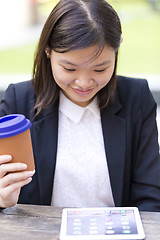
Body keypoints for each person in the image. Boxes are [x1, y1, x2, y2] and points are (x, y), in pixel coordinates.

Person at [0, 0, 160, 211]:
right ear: (48, 50)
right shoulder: (18, 101)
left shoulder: (135, 97)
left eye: (100, 69)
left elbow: (150, 198)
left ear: (118, 47)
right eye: (69, 69)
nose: (84, 83)